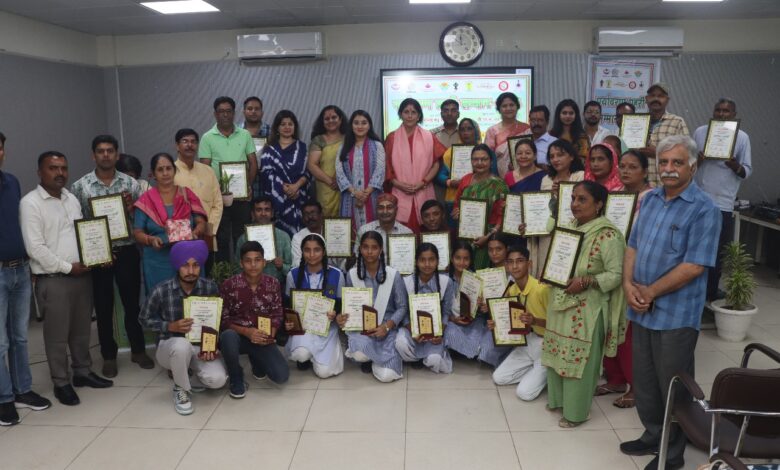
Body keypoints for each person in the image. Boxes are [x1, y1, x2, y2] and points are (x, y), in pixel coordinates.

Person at [620, 136, 720, 470]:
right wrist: (627, 285)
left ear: (692, 166)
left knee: (673, 385)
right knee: (645, 380)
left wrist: (649, 292)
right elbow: (632, 245)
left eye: (677, 162)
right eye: (663, 162)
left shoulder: (704, 209)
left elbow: (694, 266)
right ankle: (653, 434)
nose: (669, 169)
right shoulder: (650, 199)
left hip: (676, 314)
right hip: (641, 308)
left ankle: (673, 451)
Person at [21, 151, 114, 407]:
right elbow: (35, 248)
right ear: (40, 172)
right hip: (54, 279)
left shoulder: (71, 198)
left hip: (82, 275)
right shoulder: (30, 203)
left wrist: (98, 254)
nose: (60, 173)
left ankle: (82, 372)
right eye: (53, 168)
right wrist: (66, 267)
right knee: (57, 335)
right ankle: (61, 382)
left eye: (63, 168)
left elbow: (83, 234)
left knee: (82, 330)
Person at [542, 181, 626, 428]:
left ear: (598, 204)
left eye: (582, 199)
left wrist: (587, 281)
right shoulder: (569, 227)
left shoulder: (609, 235)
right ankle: (558, 401)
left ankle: (576, 413)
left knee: (580, 359)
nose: (575, 204)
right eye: (573, 198)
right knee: (558, 352)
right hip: (560, 302)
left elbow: (616, 274)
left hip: (587, 308)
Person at [70, 135, 153, 378]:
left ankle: (138, 350)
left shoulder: (131, 184)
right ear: (93, 155)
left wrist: (130, 208)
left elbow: (142, 219)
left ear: (117, 155)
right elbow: (76, 222)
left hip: (127, 250)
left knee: (132, 303)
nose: (105, 155)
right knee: (103, 307)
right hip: (98, 253)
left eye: (110, 151)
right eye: (100, 151)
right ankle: (108, 355)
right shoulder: (80, 186)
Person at [139, 240, 228, 414]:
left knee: (218, 380)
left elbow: (215, 322)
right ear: (177, 266)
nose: (191, 271)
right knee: (182, 345)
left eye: (195, 265)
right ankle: (180, 389)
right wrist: (170, 326)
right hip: (169, 348)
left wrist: (211, 347)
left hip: (199, 347)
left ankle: (190, 378)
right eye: (185, 266)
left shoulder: (209, 287)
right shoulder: (162, 290)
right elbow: (143, 319)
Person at [0, 132, 51, 425]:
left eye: (0, 148)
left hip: (19, 268)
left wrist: (29, 265)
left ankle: (22, 390)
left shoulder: (12, 182)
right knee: (0, 342)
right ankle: (4, 398)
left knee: (20, 337)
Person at [597, 149, 652, 409]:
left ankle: (635, 386)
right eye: (623, 166)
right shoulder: (615, 195)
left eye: (633, 167)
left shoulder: (652, 198)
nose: (626, 171)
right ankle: (616, 379)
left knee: (627, 330)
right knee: (609, 325)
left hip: (636, 270)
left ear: (645, 171)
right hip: (611, 267)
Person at [694, 98, 752, 302]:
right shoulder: (700, 132)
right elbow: (689, 165)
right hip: (698, 201)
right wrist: (699, 159)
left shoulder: (742, 137)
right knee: (693, 247)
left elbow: (746, 171)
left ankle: (710, 292)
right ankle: (691, 289)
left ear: (734, 115)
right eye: (718, 110)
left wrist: (733, 165)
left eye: (726, 111)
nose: (721, 114)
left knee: (716, 251)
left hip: (722, 204)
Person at [220, 241, 290, 398]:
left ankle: (256, 361)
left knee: (281, 376)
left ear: (264, 262)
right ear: (241, 263)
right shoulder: (229, 285)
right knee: (227, 336)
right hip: (238, 337)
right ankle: (236, 377)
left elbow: (277, 314)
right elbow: (223, 321)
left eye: (257, 260)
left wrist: (270, 334)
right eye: (248, 261)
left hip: (261, 337)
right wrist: (247, 331)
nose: (253, 265)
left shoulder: (273, 283)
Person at [133, 153, 208, 294]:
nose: (165, 173)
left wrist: (196, 232)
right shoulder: (146, 200)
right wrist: (150, 239)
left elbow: (201, 222)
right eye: (160, 169)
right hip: (158, 260)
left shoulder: (186, 194)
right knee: (161, 299)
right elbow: (137, 232)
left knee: (191, 299)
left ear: (174, 170)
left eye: (168, 168)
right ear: (153, 174)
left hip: (188, 259)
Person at [338, 231, 407, 382]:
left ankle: (377, 360)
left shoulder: (393, 275)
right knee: (359, 355)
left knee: (387, 376)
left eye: (374, 247)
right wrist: (343, 317)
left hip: (386, 329)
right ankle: (370, 358)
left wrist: (387, 326)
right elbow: (350, 306)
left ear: (381, 249)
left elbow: (402, 307)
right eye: (365, 247)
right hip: (362, 330)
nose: (369, 252)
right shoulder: (352, 275)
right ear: (360, 249)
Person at [199, 97, 257, 262]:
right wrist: (215, 192)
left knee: (242, 237)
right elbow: (205, 169)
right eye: (221, 111)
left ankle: (243, 270)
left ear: (234, 113)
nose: (225, 114)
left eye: (228, 111)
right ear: (215, 114)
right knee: (221, 238)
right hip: (218, 199)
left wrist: (248, 186)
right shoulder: (207, 137)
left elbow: (253, 163)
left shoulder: (245, 134)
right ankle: (223, 274)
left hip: (241, 198)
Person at [491, 245, 550, 401]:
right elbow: (511, 320)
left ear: (529, 264)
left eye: (520, 261)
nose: (515, 266)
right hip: (526, 341)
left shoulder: (541, 289)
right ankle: (535, 370)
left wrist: (535, 321)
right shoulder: (512, 290)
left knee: (524, 393)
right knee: (499, 377)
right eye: (510, 262)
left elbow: (559, 323)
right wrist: (496, 325)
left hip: (547, 344)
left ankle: (546, 370)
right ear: (506, 265)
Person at [521, 139, 586, 278]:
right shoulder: (546, 179)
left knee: (567, 275)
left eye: (560, 155)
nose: (555, 159)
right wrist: (530, 223)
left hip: (572, 233)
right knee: (546, 275)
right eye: (552, 156)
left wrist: (563, 191)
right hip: (547, 235)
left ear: (571, 156)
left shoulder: (580, 176)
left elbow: (584, 205)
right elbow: (542, 208)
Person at [443, 240, 512, 368]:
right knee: (448, 331)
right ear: (452, 259)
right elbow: (440, 308)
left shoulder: (478, 278)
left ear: (471, 260)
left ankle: (469, 351)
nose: (462, 262)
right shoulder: (444, 278)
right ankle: (466, 350)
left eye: (466, 259)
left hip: (475, 323)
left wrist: (481, 305)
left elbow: (483, 311)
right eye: (458, 258)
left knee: (483, 338)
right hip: (453, 322)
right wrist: (452, 319)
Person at [284, 234, 345, 378]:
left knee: (324, 373)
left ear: (323, 252)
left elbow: (341, 304)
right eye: (307, 250)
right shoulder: (293, 274)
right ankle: (306, 356)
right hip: (304, 327)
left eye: (316, 250)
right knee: (300, 354)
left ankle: (319, 355)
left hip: (326, 328)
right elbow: (288, 305)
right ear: (302, 252)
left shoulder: (337, 274)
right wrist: (289, 322)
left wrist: (335, 313)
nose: (311, 255)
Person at [384, 98, 445, 232]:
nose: (410, 116)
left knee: (425, 227)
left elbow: (436, 164)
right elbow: (387, 167)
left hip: (423, 190)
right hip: (400, 191)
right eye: (406, 112)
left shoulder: (429, 137)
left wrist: (423, 182)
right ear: (400, 114)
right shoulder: (392, 138)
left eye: (414, 112)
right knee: (401, 233)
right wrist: (398, 184)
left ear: (419, 116)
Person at [397, 243, 454, 373]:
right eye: (422, 260)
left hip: (435, 332)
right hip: (412, 329)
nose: (427, 264)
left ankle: (430, 355)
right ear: (416, 262)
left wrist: (439, 333)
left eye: (431, 259)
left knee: (434, 360)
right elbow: (404, 314)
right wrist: (413, 331)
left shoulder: (446, 282)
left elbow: (446, 312)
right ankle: (417, 358)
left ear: (437, 261)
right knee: (400, 344)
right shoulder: (406, 282)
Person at [452, 144, 509, 269]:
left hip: (489, 239)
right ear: (471, 161)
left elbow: (503, 217)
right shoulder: (466, 180)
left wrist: (487, 237)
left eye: (484, 159)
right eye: (475, 159)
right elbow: (457, 205)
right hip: (466, 236)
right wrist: (456, 213)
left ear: (491, 161)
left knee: (483, 275)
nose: (479, 163)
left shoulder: (499, 185)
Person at [173, 129, 223, 271]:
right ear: (177, 146)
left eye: (193, 142)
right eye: (185, 141)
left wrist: (209, 229)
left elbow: (218, 203)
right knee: (184, 271)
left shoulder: (208, 171)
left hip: (207, 233)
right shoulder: (170, 171)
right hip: (180, 235)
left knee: (207, 272)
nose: (190, 145)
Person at [259, 110, 311, 237]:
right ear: (277, 128)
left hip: (299, 198)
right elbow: (266, 173)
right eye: (283, 124)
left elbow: (308, 172)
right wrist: (284, 188)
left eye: (290, 124)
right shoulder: (269, 148)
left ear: (295, 127)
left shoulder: (302, 147)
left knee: (300, 235)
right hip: (277, 200)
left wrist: (296, 187)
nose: (287, 127)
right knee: (280, 235)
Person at [336, 110, 385, 231]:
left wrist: (366, 193)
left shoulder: (377, 145)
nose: (360, 126)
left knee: (373, 232)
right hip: (350, 197)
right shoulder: (343, 147)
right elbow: (339, 172)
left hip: (372, 196)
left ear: (369, 125)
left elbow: (380, 170)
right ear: (351, 125)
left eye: (364, 123)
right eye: (356, 123)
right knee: (350, 233)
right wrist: (354, 192)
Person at [435, 118, 486, 225]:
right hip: (453, 200)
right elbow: (440, 176)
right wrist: (450, 182)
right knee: (454, 232)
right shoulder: (450, 152)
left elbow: (493, 174)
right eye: (462, 129)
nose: (465, 133)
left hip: (481, 199)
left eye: (469, 129)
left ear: (476, 131)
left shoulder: (486, 151)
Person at [233, 196, 292, 286]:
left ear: (272, 213)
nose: (263, 213)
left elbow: (291, 269)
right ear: (253, 214)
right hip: (249, 286)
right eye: (259, 210)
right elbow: (237, 269)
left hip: (276, 286)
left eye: (267, 209)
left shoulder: (284, 237)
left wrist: (281, 266)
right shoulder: (243, 239)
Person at [640, 83, 690, 186]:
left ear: (667, 100)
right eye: (652, 95)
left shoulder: (677, 122)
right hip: (640, 187)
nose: (656, 99)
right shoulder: (636, 122)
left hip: (666, 186)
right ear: (646, 99)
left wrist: (658, 153)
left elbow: (687, 155)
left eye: (660, 96)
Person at [308, 105, 347, 217]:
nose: (331, 121)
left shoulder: (349, 138)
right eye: (327, 119)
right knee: (325, 219)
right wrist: (331, 182)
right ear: (323, 122)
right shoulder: (318, 140)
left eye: (334, 117)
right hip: (326, 187)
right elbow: (312, 165)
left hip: (346, 187)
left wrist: (342, 182)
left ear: (340, 119)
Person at [549, 99, 589, 164]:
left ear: (576, 115)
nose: (568, 116)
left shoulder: (582, 135)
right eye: (564, 113)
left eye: (571, 113)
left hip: (576, 169)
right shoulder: (551, 134)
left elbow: (583, 158)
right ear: (558, 115)